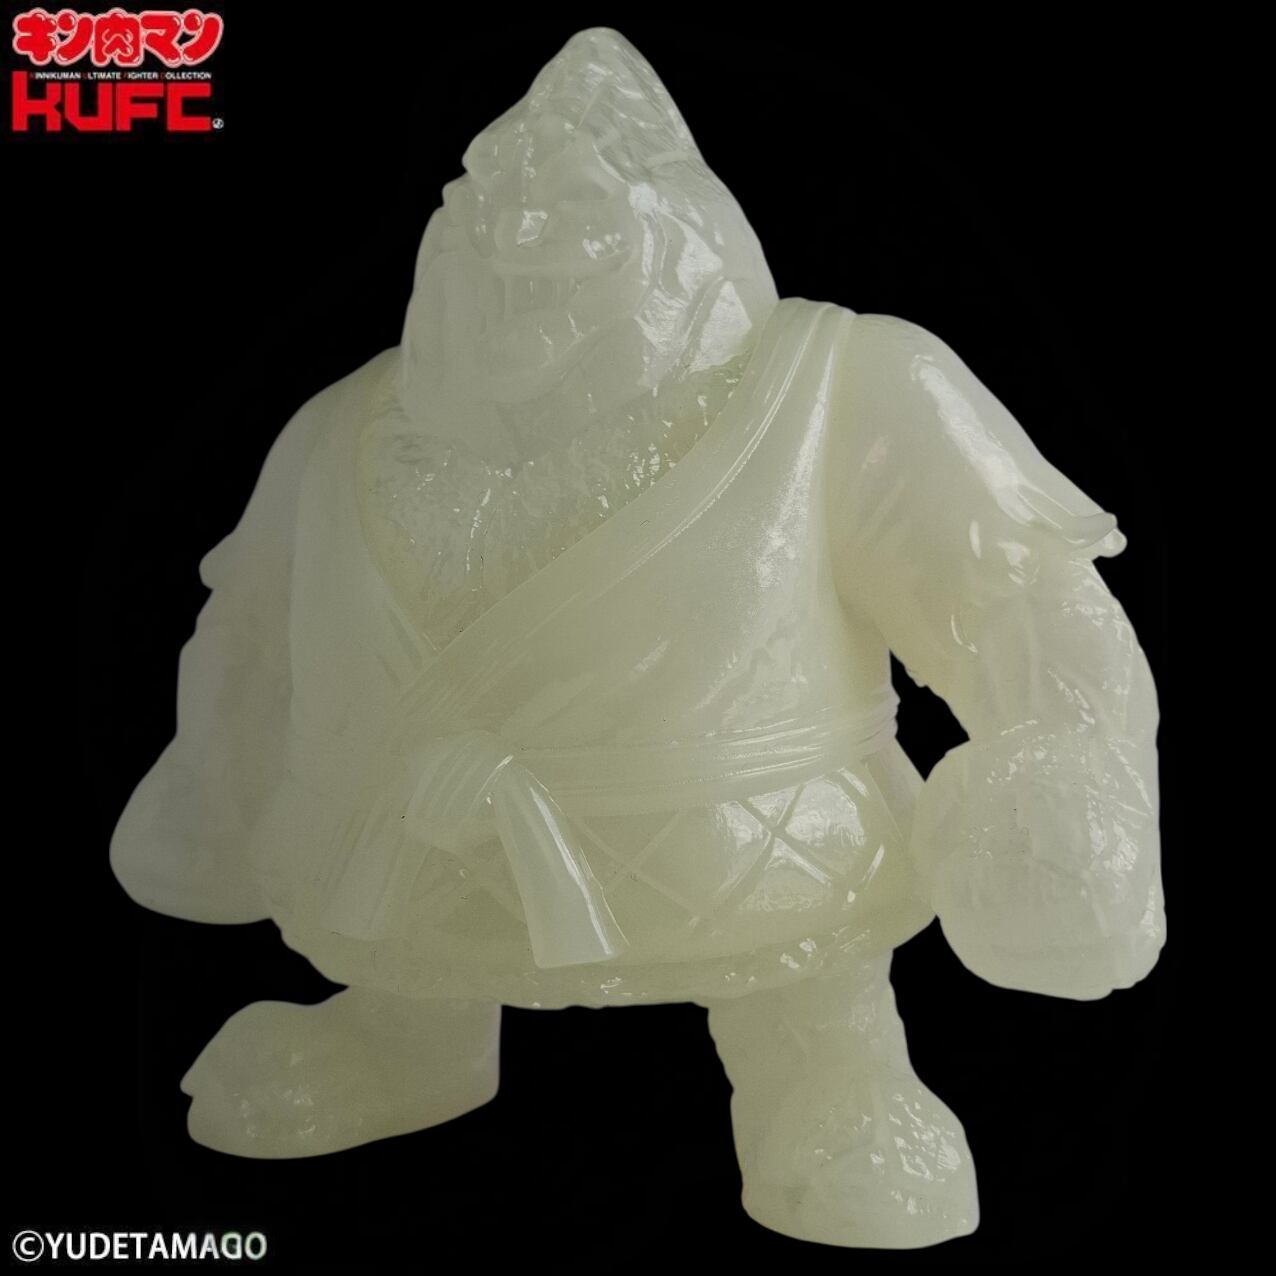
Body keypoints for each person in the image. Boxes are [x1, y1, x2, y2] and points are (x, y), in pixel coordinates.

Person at [109, 27, 1164, 1250]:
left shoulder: (837, 386)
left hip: (752, 844)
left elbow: (1020, 597)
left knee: (797, 984)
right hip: (402, 848)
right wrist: (216, 784)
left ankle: (826, 1074)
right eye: (486, 215)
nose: (516, 248)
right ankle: (403, 1035)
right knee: (414, 930)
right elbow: (250, 628)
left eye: (568, 217)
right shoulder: (344, 427)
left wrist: (1067, 776)